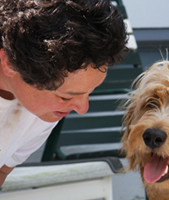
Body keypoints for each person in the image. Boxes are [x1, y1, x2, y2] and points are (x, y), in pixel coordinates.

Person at [0, 0, 127, 186]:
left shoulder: (42, 111)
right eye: (65, 96)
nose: (83, 108)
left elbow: (3, 169)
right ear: (10, 63)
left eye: (90, 92)